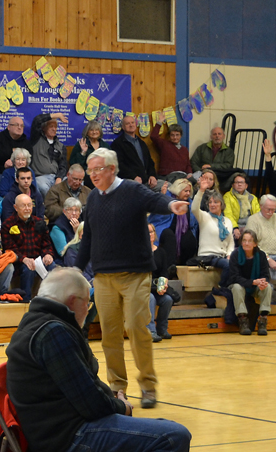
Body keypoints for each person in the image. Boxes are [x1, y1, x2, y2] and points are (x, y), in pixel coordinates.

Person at [6, 267, 192, 452]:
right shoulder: (53, 332)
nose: (87, 311)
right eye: (88, 304)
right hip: (68, 437)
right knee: (174, 436)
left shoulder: (33, 324)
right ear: (73, 301)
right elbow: (91, 405)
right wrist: (122, 407)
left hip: (57, 432)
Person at [76, 148, 189, 409]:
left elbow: (154, 201)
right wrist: (76, 269)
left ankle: (148, 385)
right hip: (104, 278)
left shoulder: (131, 190)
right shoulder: (93, 199)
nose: (92, 175)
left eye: (97, 170)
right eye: (90, 170)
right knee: (110, 336)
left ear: (112, 169)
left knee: (138, 329)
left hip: (135, 275)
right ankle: (117, 389)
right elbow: (88, 239)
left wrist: (172, 204)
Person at [1, 193, 55, 296]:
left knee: (52, 266)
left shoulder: (39, 222)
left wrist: (48, 254)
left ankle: (52, 299)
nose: (27, 208)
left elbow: (47, 244)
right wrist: (24, 259)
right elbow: (10, 249)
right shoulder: (8, 225)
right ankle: (26, 300)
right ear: (15, 207)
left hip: (39, 260)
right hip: (19, 262)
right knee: (29, 269)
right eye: (23, 205)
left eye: (29, 205)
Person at [226, 230, 274, 336]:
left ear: (255, 243)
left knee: (268, 287)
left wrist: (262, 282)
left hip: (255, 286)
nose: (246, 243)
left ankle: (263, 320)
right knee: (237, 287)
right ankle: (243, 321)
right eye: (244, 240)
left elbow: (265, 275)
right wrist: (252, 282)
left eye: (250, 241)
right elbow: (234, 277)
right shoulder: (235, 254)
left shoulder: (261, 255)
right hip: (240, 285)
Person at [151, 178, 199, 265]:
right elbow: (155, 215)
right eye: (185, 191)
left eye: (189, 191)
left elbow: (193, 224)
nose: (188, 193)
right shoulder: (166, 198)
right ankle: (170, 267)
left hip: (183, 233)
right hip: (164, 230)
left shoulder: (190, 204)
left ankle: (185, 265)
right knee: (169, 235)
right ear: (178, 190)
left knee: (190, 237)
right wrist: (162, 197)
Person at [193, 174, 235, 273]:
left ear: (221, 204)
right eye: (210, 202)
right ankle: (222, 287)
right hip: (207, 256)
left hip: (222, 256)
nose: (212, 204)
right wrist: (201, 191)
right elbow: (194, 208)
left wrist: (229, 255)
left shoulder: (227, 221)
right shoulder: (204, 217)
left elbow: (231, 242)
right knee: (228, 265)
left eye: (215, 202)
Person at [26, 112, 69, 196]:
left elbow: (63, 166)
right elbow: (37, 120)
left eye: (55, 127)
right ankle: (50, 205)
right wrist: (57, 115)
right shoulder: (36, 139)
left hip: (56, 177)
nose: (54, 129)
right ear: (44, 128)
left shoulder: (60, 146)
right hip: (41, 177)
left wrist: (59, 178)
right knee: (42, 187)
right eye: (51, 126)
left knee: (74, 182)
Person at [109, 116, 157, 188]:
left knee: (168, 186)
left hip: (147, 181)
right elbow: (118, 165)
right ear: (123, 127)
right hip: (130, 181)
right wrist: (133, 177)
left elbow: (150, 162)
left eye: (132, 122)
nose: (131, 125)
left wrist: (152, 175)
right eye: (127, 123)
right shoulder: (117, 144)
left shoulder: (142, 143)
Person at [148, 224, 176, 343]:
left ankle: (162, 329)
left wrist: (162, 286)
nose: (150, 234)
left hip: (156, 287)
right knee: (151, 299)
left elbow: (164, 272)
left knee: (167, 299)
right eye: (147, 232)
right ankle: (151, 330)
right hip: (144, 289)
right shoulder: (139, 253)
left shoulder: (161, 252)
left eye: (151, 232)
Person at [0, 116, 28, 182]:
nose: (19, 127)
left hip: (20, 173)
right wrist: (13, 152)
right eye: (16, 125)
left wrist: (11, 153)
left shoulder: (25, 141)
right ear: (8, 127)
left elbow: (29, 157)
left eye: (22, 126)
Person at [52, 198, 86, 267]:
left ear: (80, 212)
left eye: (76, 210)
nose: (74, 213)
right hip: (64, 261)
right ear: (64, 211)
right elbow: (63, 252)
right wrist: (77, 233)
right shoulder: (57, 227)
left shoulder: (81, 223)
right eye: (70, 210)